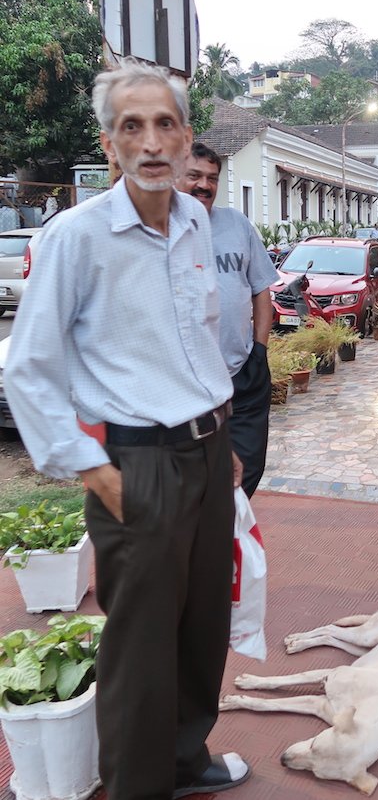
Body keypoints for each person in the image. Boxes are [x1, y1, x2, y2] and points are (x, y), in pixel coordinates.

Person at [5, 59, 251, 800]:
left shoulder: (198, 219)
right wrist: (88, 462)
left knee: (203, 622)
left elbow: (199, 337)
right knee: (141, 647)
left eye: (164, 124)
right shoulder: (76, 237)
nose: (150, 142)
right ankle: (138, 787)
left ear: (186, 140)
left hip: (208, 453)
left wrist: (226, 439)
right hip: (136, 462)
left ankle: (184, 758)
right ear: (109, 145)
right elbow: (29, 364)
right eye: (130, 126)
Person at [176, 142, 278, 498]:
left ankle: (220, 535)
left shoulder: (237, 224)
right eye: (194, 176)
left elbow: (261, 289)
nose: (204, 185)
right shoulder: (162, 231)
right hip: (190, 384)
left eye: (212, 178)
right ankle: (214, 542)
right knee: (198, 477)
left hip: (243, 376)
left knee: (248, 467)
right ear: (176, 176)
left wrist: (260, 351)